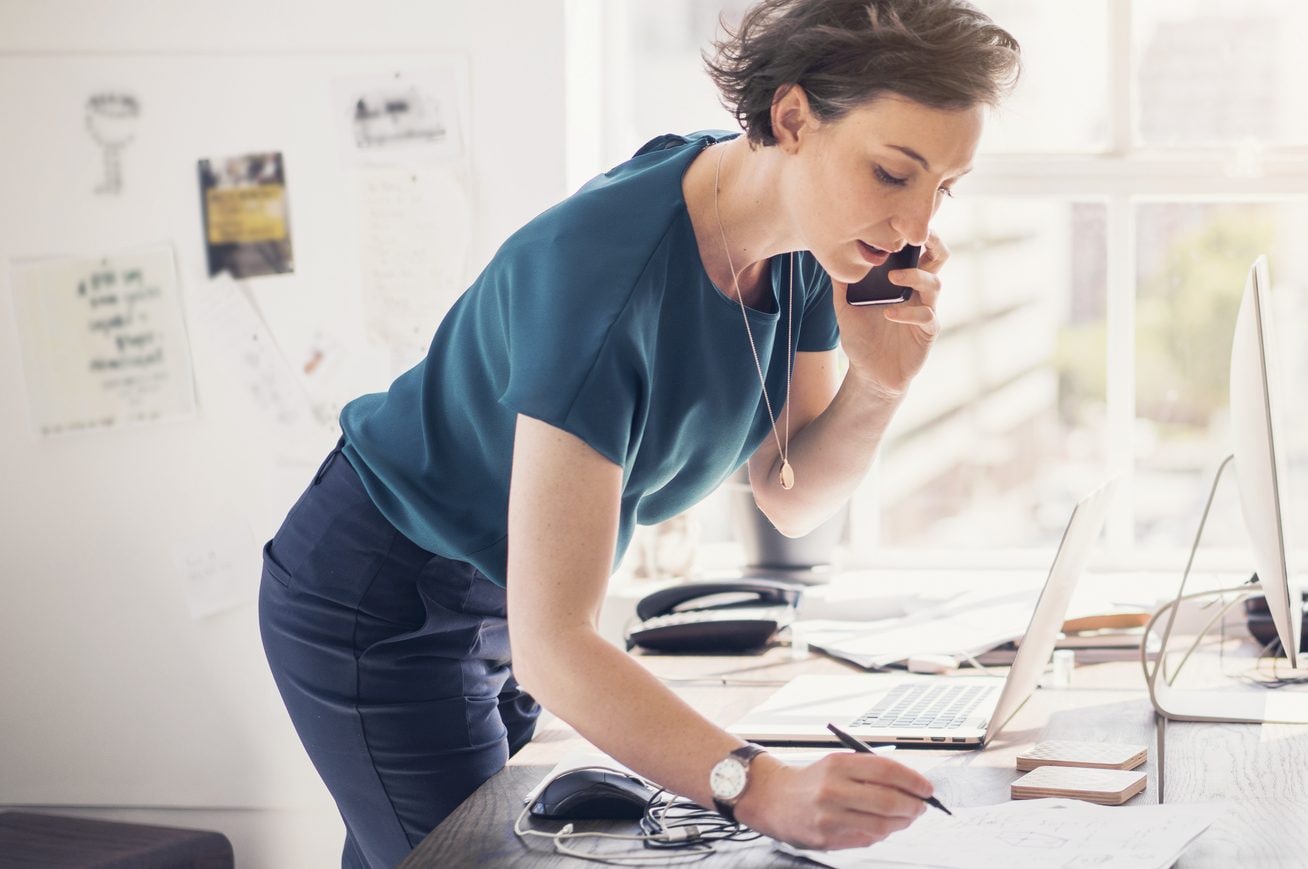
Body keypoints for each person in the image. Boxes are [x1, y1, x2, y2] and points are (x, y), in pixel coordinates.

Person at [255, 1, 1020, 865]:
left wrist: (878, 382)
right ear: (794, 118)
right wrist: (762, 787)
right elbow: (555, 645)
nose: (917, 227)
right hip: (381, 592)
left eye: (942, 188)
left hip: (502, 600)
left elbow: (790, 493)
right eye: (892, 173)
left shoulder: (808, 248)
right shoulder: (605, 276)